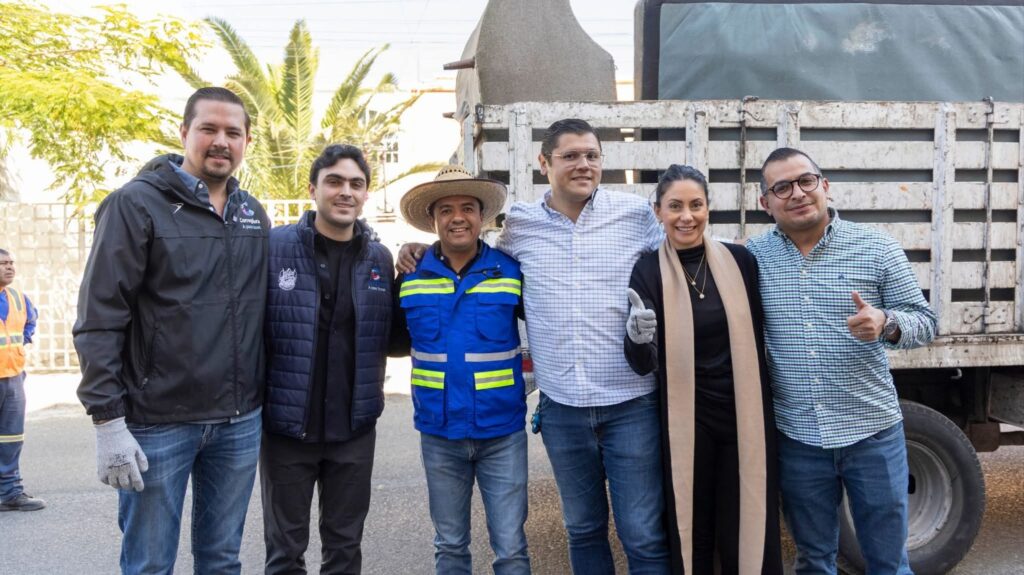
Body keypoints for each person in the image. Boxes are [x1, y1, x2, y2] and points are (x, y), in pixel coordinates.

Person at [398, 120, 669, 574]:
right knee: (582, 529)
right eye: (570, 155)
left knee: (642, 533)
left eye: (592, 155)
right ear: (544, 163)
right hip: (562, 408)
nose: (583, 164)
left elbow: (685, 249)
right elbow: (467, 254)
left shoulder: (636, 215)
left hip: (630, 403)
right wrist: (420, 250)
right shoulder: (520, 227)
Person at [73, 87, 269, 574]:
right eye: (208, 129)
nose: (221, 141)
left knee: (222, 560)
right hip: (158, 423)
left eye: (233, 132)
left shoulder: (251, 214)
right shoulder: (134, 205)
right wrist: (107, 421)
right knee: (149, 564)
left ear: (247, 141)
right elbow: (99, 317)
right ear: (184, 133)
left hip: (238, 422)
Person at [746, 147, 937, 574]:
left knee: (889, 563)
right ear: (765, 203)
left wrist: (886, 322)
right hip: (798, 438)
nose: (797, 193)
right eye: (782, 187)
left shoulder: (877, 248)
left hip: (872, 434)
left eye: (806, 181)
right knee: (814, 561)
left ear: (825, 185)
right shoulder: (753, 258)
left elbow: (926, 322)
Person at [623, 165, 782, 575]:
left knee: (743, 528)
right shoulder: (648, 271)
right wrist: (637, 338)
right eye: (675, 206)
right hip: (688, 421)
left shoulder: (741, 261)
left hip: (744, 416)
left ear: (708, 209)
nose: (686, 216)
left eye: (696, 205)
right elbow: (642, 364)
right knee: (693, 533)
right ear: (658, 211)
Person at [261, 144, 393, 574]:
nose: (345, 192)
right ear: (313, 189)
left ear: (366, 194)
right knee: (285, 551)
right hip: (287, 428)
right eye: (334, 181)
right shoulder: (274, 248)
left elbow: (392, 334)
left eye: (356, 183)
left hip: (353, 429)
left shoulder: (379, 258)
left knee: (345, 548)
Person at [393, 165, 530, 575]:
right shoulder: (409, 276)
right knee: (450, 547)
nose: (458, 218)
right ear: (432, 219)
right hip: (439, 434)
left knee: (511, 548)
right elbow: (388, 342)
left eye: (467, 208)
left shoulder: (510, 271)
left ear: (481, 216)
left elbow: (551, 329)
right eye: (446, 209)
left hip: (501, 433)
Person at [0, 249, 44, 512]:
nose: (9, 267)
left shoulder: (18, 298)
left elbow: (30, 322)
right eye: (3, 263)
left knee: (11, 437)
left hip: (13, 377)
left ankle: (10, 493)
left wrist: (23, 340)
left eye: (11, 263)